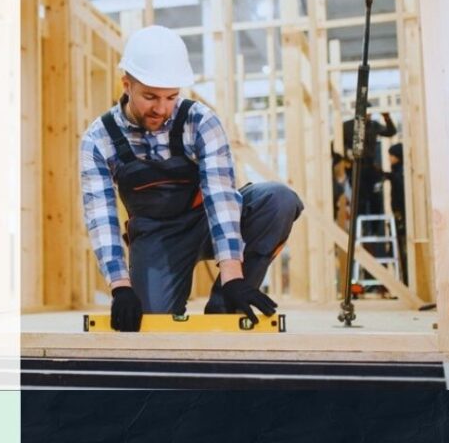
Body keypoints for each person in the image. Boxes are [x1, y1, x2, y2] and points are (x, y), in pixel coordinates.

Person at [79, 25, 304, 332]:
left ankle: (226, 303)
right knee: (152, 323)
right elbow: (101, 217)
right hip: (158, 238)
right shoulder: (99, 139)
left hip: (206, 222)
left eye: (171, 96)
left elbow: (221, 196)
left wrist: (233, 276)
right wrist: (120, 286)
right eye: (150, 96)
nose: (161, 108)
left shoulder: (201, 121)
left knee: (279, 200)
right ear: (126, 84)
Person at [383, 143, 407, 284]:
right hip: (398, 216)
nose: (390, 158)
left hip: (401, 217)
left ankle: (406, 284)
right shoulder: (396, 171)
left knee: (401, 251)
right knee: (396, 250)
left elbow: (399, 190)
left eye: (392, 156)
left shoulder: (400, 173)